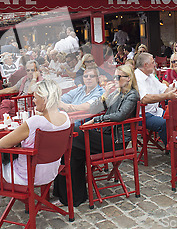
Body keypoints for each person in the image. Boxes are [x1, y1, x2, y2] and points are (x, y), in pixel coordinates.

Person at [0, 80, 72, 219]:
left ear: (45, 99)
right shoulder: (65, 118)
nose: (33, 100)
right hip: (52, 170)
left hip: (28, 175)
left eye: (35, 97)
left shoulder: (35, 122)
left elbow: (3, 144)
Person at [54, 65, 139, 207]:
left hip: (116, 140)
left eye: (119, 77)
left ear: (128, 78)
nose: (116, 79)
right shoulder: (116, 93)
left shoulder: (132, 94)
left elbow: (120, 116)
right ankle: (71, 196)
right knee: (72, 151)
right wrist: (105, 94)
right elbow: (94, 109)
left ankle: (71, 196)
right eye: (115, 76)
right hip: (105, 134)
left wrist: (97, 120)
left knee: (73, 134)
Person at [135, 53, 177, 145]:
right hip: (142, 115)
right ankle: (173, 149)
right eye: (153, 62)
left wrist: (175, 90)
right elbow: (144, 99)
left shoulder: (150, 75)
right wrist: (168, 96)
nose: (155, 64)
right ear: (145, 65)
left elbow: (163, 89)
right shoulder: (137, 77)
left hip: (156, 111)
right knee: (165, 124)